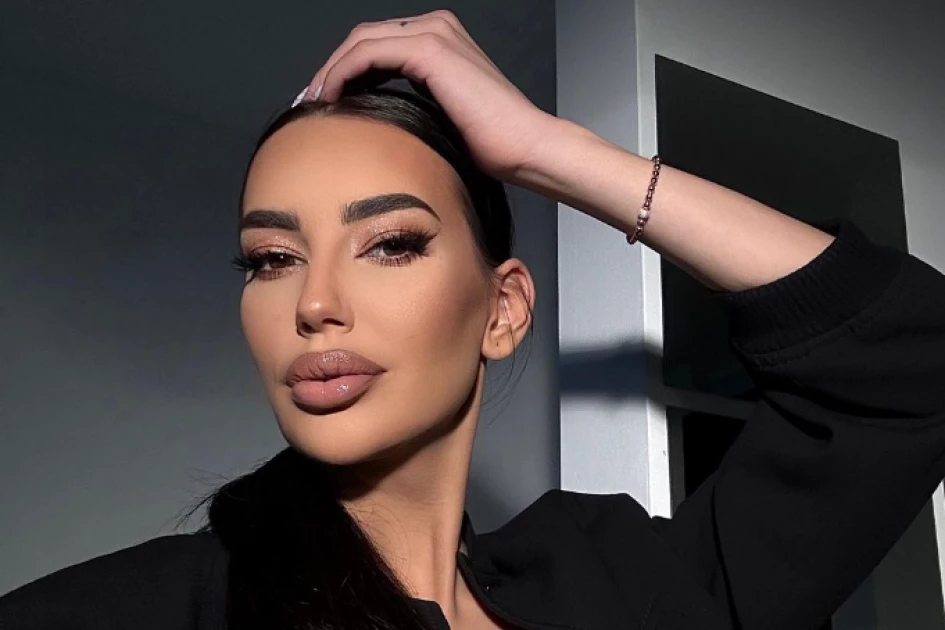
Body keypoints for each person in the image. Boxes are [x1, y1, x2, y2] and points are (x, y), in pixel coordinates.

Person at [2, 9, 944, 630]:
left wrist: (550, 151)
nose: (314, 303)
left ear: (503, 309)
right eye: (271, 259)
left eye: (389, 243)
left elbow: (909, 360)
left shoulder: (620, 583)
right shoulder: (145, 609)